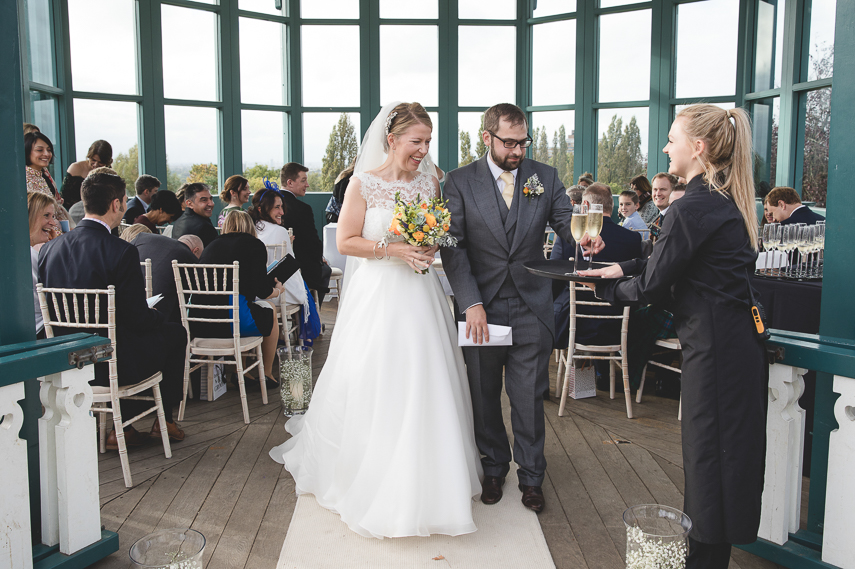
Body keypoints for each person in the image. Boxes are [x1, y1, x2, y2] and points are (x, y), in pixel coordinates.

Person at [269, 101, 483, 539]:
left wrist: (427, 248)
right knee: (376, 376)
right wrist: (394, 250)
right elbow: (346, 242)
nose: (424, 150)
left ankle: (432, 478)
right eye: (416, 141)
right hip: (378, 294)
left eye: (427, 141)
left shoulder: (430, 183)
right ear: (392, 140)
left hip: (420, 295)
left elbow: (440, 237)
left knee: (426, 377)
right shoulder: (363, 184)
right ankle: (369, 470)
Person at [580, 104, 766, 568]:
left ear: (697, 148)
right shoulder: (720, 202)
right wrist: (618, 267)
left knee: (708, 466)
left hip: (716, 355)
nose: (665, 147)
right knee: (721, 466)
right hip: (733, 348)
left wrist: (603, 288)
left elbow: (651, 285)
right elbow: (662, 260)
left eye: (671, 139)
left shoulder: (692, 209)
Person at [440, 103, 603, 515]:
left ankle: (532, 477)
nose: (516, 150)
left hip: (533, 304)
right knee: (484, 393)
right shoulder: (458, 182)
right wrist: (470, 303)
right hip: (482, 308)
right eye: (508, 142)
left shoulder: (543, 176)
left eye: (522, 142)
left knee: (529, 397)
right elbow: (453, 248)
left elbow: (566, 221)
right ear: (487, 137)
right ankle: (493, 467)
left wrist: (584, 238)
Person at [38, 172, 187, 447]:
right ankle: (163, 420)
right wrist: (157, 315)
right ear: (117, 204)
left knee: (132, 338)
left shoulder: (50, 249)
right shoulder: (121, 251)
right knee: (175, 334)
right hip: (110, 364)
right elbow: (138, 319)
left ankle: (125, 430)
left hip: (67, 358)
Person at [193, 211, 283, 388]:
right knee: (269, 308)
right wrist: (277, 291)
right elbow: (263, 292)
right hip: (231, 321)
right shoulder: (254, 245)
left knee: (246, 305)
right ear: (250, 226)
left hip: (201, 321)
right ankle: (266, 374)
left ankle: (241, 372)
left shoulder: (211, 246)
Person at [551, 183, 642, 353]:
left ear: (585, 205)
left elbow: (554, 280)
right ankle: (599, 373)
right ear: (612, 206)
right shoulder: (633, 239)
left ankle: (581, 374)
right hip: (619, 324)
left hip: (574, 325)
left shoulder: (568, 238)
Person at [247, 184, 308, 309]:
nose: (282, 212)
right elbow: (291, 268)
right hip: (277, 293)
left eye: (281, 207)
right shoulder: (280, 231)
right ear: (261, 209)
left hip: (252, 292)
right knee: (304, 290)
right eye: (277, 207)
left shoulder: (250, 228)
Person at [279, 162, 332, 303]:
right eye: (303, 180)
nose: (307, 185)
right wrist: (320, 258)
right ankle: (312, 311)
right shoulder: (302, 209)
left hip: (273, 269)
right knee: (325, 270)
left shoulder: (267, 204)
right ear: (290, 182)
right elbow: (312, 242)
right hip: (298, 267)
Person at [132, 231, 199, 324]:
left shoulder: (143, 239)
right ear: (195, 251)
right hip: (159, 316)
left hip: (128, 304)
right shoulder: (189, 258)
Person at [28, 191, 60, 334]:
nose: (52, 222)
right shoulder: (28, 256)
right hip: (39, 333)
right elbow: (53, 300)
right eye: (46, 216)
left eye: (53, 217)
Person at [62, 140, 112, 208]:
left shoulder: (109, 173)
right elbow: (63, 197)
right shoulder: (75, 168)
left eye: (101, 162)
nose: (96, 165)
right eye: (93, 160)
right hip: (74, 211)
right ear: (89, 156)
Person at [171, 182, 218, 247]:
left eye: (211, 199)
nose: (211, 204)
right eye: (204, 200)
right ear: (189, 204)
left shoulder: (178, 222)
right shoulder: (204, 227)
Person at [25, 132, 62, 203]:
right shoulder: (23, 178)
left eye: (49, 150)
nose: (46, 154)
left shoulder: (44, 173)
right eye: (39, 150)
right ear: (27, 151)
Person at [648, 172, 678, 239]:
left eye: (663, 189)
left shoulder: (677, 218)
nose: (658, 194)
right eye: (655, 189)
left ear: (673, 191)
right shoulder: (658, 218)